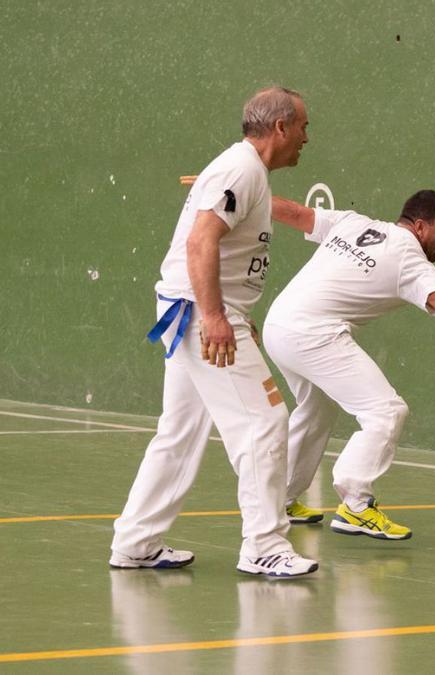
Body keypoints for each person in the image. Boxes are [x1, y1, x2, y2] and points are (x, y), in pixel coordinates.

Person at [110, 87, 319, 578]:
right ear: (282, 127)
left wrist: (234, 313)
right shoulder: (240, 169)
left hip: (197, 313)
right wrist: (217, 317)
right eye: (304, 127)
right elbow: (201, 241)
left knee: (180, 433)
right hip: (201, 316)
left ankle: (136, 541)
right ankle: (264, 544)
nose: (308, 138)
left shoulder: (248, 171)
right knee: (266, 420)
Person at [264, 190, 435, 541]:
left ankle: (279, 499)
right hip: (314, 335)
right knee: (386, 411)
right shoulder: (411, 261)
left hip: (278, 325)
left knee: (316, 408)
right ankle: (355, 505)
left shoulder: (352, 222)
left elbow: (294, 212)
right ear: (420, 227)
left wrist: (236, 189)